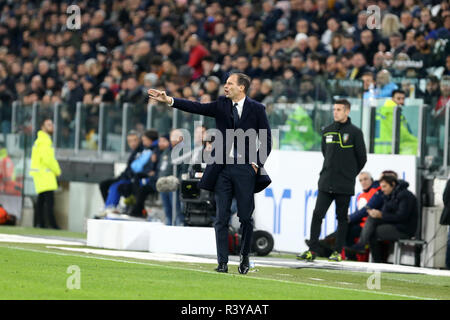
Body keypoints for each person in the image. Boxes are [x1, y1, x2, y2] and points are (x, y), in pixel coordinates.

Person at [148, 72, 272, 274]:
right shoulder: (221, 104)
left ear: (242, 87)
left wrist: (256, 163)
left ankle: (244, 257)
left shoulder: (257, 109)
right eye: (225, 83)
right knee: (220, 217)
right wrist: (169, 100)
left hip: (245, 169)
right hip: (221, 169)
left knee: (245, 218)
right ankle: (222, 262)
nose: (225, 86)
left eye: (230, 83)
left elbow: (267, 139)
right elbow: (196, 107)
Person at [297, 99, 367, 262]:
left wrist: (349, 174)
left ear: (347, 111)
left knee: (341, 218)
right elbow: (325, 153)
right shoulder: (327, 131)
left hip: (344, 183)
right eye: (334, 109)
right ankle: (312, 249)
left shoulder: (355, 132)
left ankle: (337, 251)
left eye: (339, 109)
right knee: (317, 214)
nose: (335, 112)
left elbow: (362, 158)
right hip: (326, 181)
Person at [363, 174, 418, 263]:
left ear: (392, 184)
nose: (382, 189)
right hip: (395, 225)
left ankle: (375, 259)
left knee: (372, 232)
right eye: (381, 187)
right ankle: (365, 249)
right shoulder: (389, 195)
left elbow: (401, 217)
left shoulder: (405, 195)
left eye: (384, 186)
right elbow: (387, 212)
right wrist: (378, 214)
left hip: (404, 229)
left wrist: (381, 215)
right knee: (372, 220)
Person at [30, 118, 61, 229]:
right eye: (48, 125)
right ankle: (52, 224)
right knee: (49, 201)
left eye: (52, 124)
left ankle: (40, 223)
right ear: (43, 127)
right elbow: (48, 159)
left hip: (40, 173)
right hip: (45, 174)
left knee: (41, 200)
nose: (51, 126)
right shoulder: (45, 141)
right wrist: (57, 170)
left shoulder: (40, 140)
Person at [99, 130, 141, 204]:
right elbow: (128, 168)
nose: (132, 143)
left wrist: (126, 176)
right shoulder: (134, 152)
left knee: (115, 186)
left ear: (139, 140)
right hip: (125, 176)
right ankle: (107, 206)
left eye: (135, 140)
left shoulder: (142, 151)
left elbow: (135, 169)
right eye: (130, 141)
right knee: (104, 184)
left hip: (132, 179)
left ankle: (111, 207)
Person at [374, 89, 418, 155]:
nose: (401, 101)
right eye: (398, 98)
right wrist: (417, 141)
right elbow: (401, 133)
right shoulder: (391, 112)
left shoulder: (382, 111)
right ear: (392, 99)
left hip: (378, 149)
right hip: (389, 150)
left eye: (403, 99)